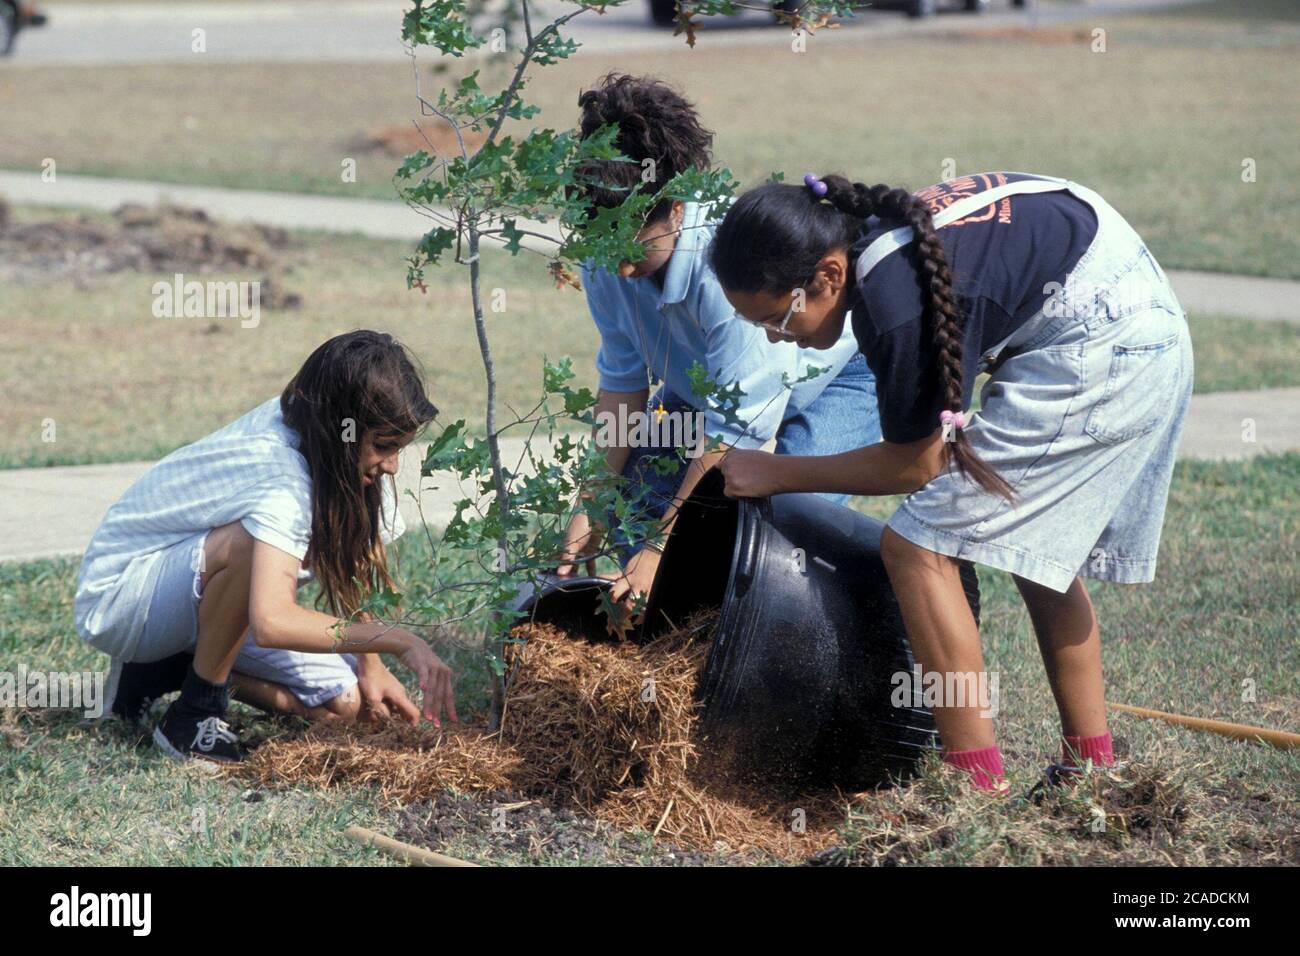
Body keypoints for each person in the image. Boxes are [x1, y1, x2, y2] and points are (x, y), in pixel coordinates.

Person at [710, 171, 1193, 792]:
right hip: (1123, 312)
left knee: (916, 548)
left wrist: (777, 472)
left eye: (778, 319)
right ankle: (1093, 768)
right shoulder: (874, 250)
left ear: (828, 276)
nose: (778, 339)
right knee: (1034, 546)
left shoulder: (894, 301)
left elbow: (918, 463)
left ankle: (973, 792)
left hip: (1112, 340)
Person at [557, 74, 882, 615]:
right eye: (602, 243)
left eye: (634, 246)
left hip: (838, 377)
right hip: (710, 396)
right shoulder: (606, 257)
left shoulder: (724, 270)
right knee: (631, 501)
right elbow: (623, 384)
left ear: (677, 209)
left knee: (766, 529)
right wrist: (589, 505)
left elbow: (736, 434)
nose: (618, 266)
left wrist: (661, 547)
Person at [74, 330, 458, 765]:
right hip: (125, 600)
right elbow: (272, 621)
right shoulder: (279, 475)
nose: (392, 465)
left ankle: (167, 670)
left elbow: (357, 563)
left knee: (352, 707)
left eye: (399, 448)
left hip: (194, 602)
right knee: (247, 545)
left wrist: (373, 666)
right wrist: (397, 640)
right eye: (384, 447)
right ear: (342, 431)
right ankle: (193, 718)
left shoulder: (342, 453)